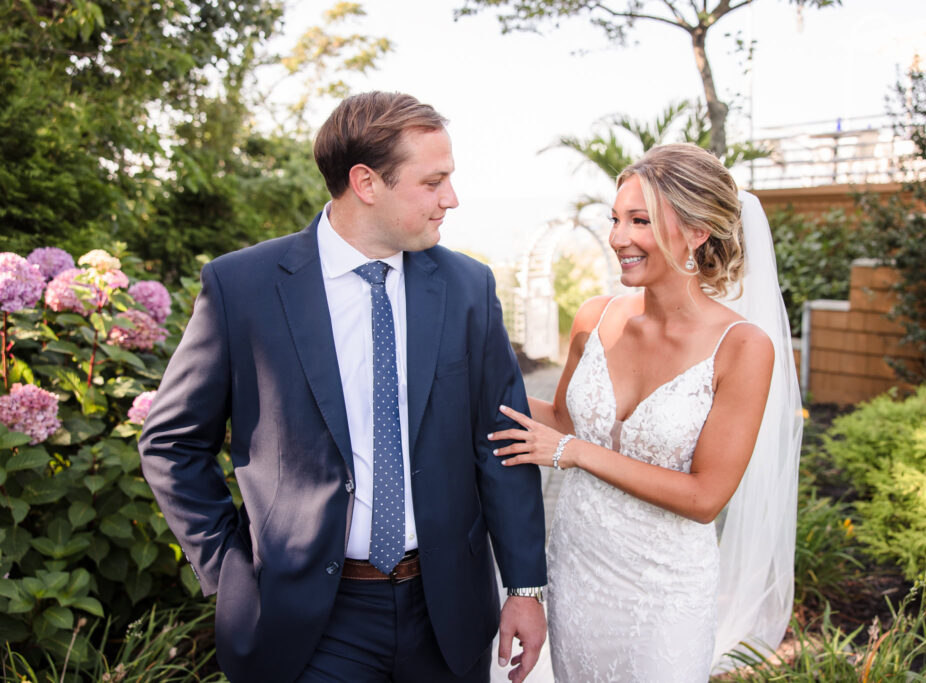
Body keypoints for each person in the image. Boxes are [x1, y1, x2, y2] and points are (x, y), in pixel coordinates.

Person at [139, 91, 548, 683]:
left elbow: (501, 444)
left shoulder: (468, 289)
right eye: (433, 182)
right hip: (306, 622)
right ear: (366, 182)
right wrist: (228, 566)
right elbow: (171, 443)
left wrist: (525, 585)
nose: (450, 199)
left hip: (446, 614)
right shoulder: (243, 287)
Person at [489, 143, 802, 681]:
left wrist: (575, 454)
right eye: (615, 219)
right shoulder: (594, 316)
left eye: (640, 220)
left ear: (698, 231)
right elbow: (563, 421)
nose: (617, 237)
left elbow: (705, 497)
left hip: (664, 591)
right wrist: (469, 394)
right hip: (578, 569)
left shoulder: (743, 347)